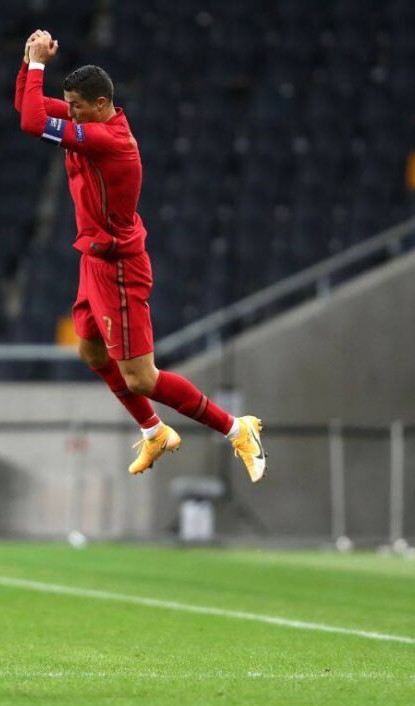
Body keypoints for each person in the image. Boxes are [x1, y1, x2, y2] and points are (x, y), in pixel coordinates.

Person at [16, 30, 266, 482]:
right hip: (92, 258)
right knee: (92, 352)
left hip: (119, 269)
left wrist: (37, 66)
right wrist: (28, 60)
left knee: (142, 378)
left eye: (74, 105)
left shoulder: (111, 142)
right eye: (67, 104)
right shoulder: (89, 125)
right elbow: (27, 112)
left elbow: (35, 122)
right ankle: (153, 431)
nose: (67, 110)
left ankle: (236, 429)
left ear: (99, 104)